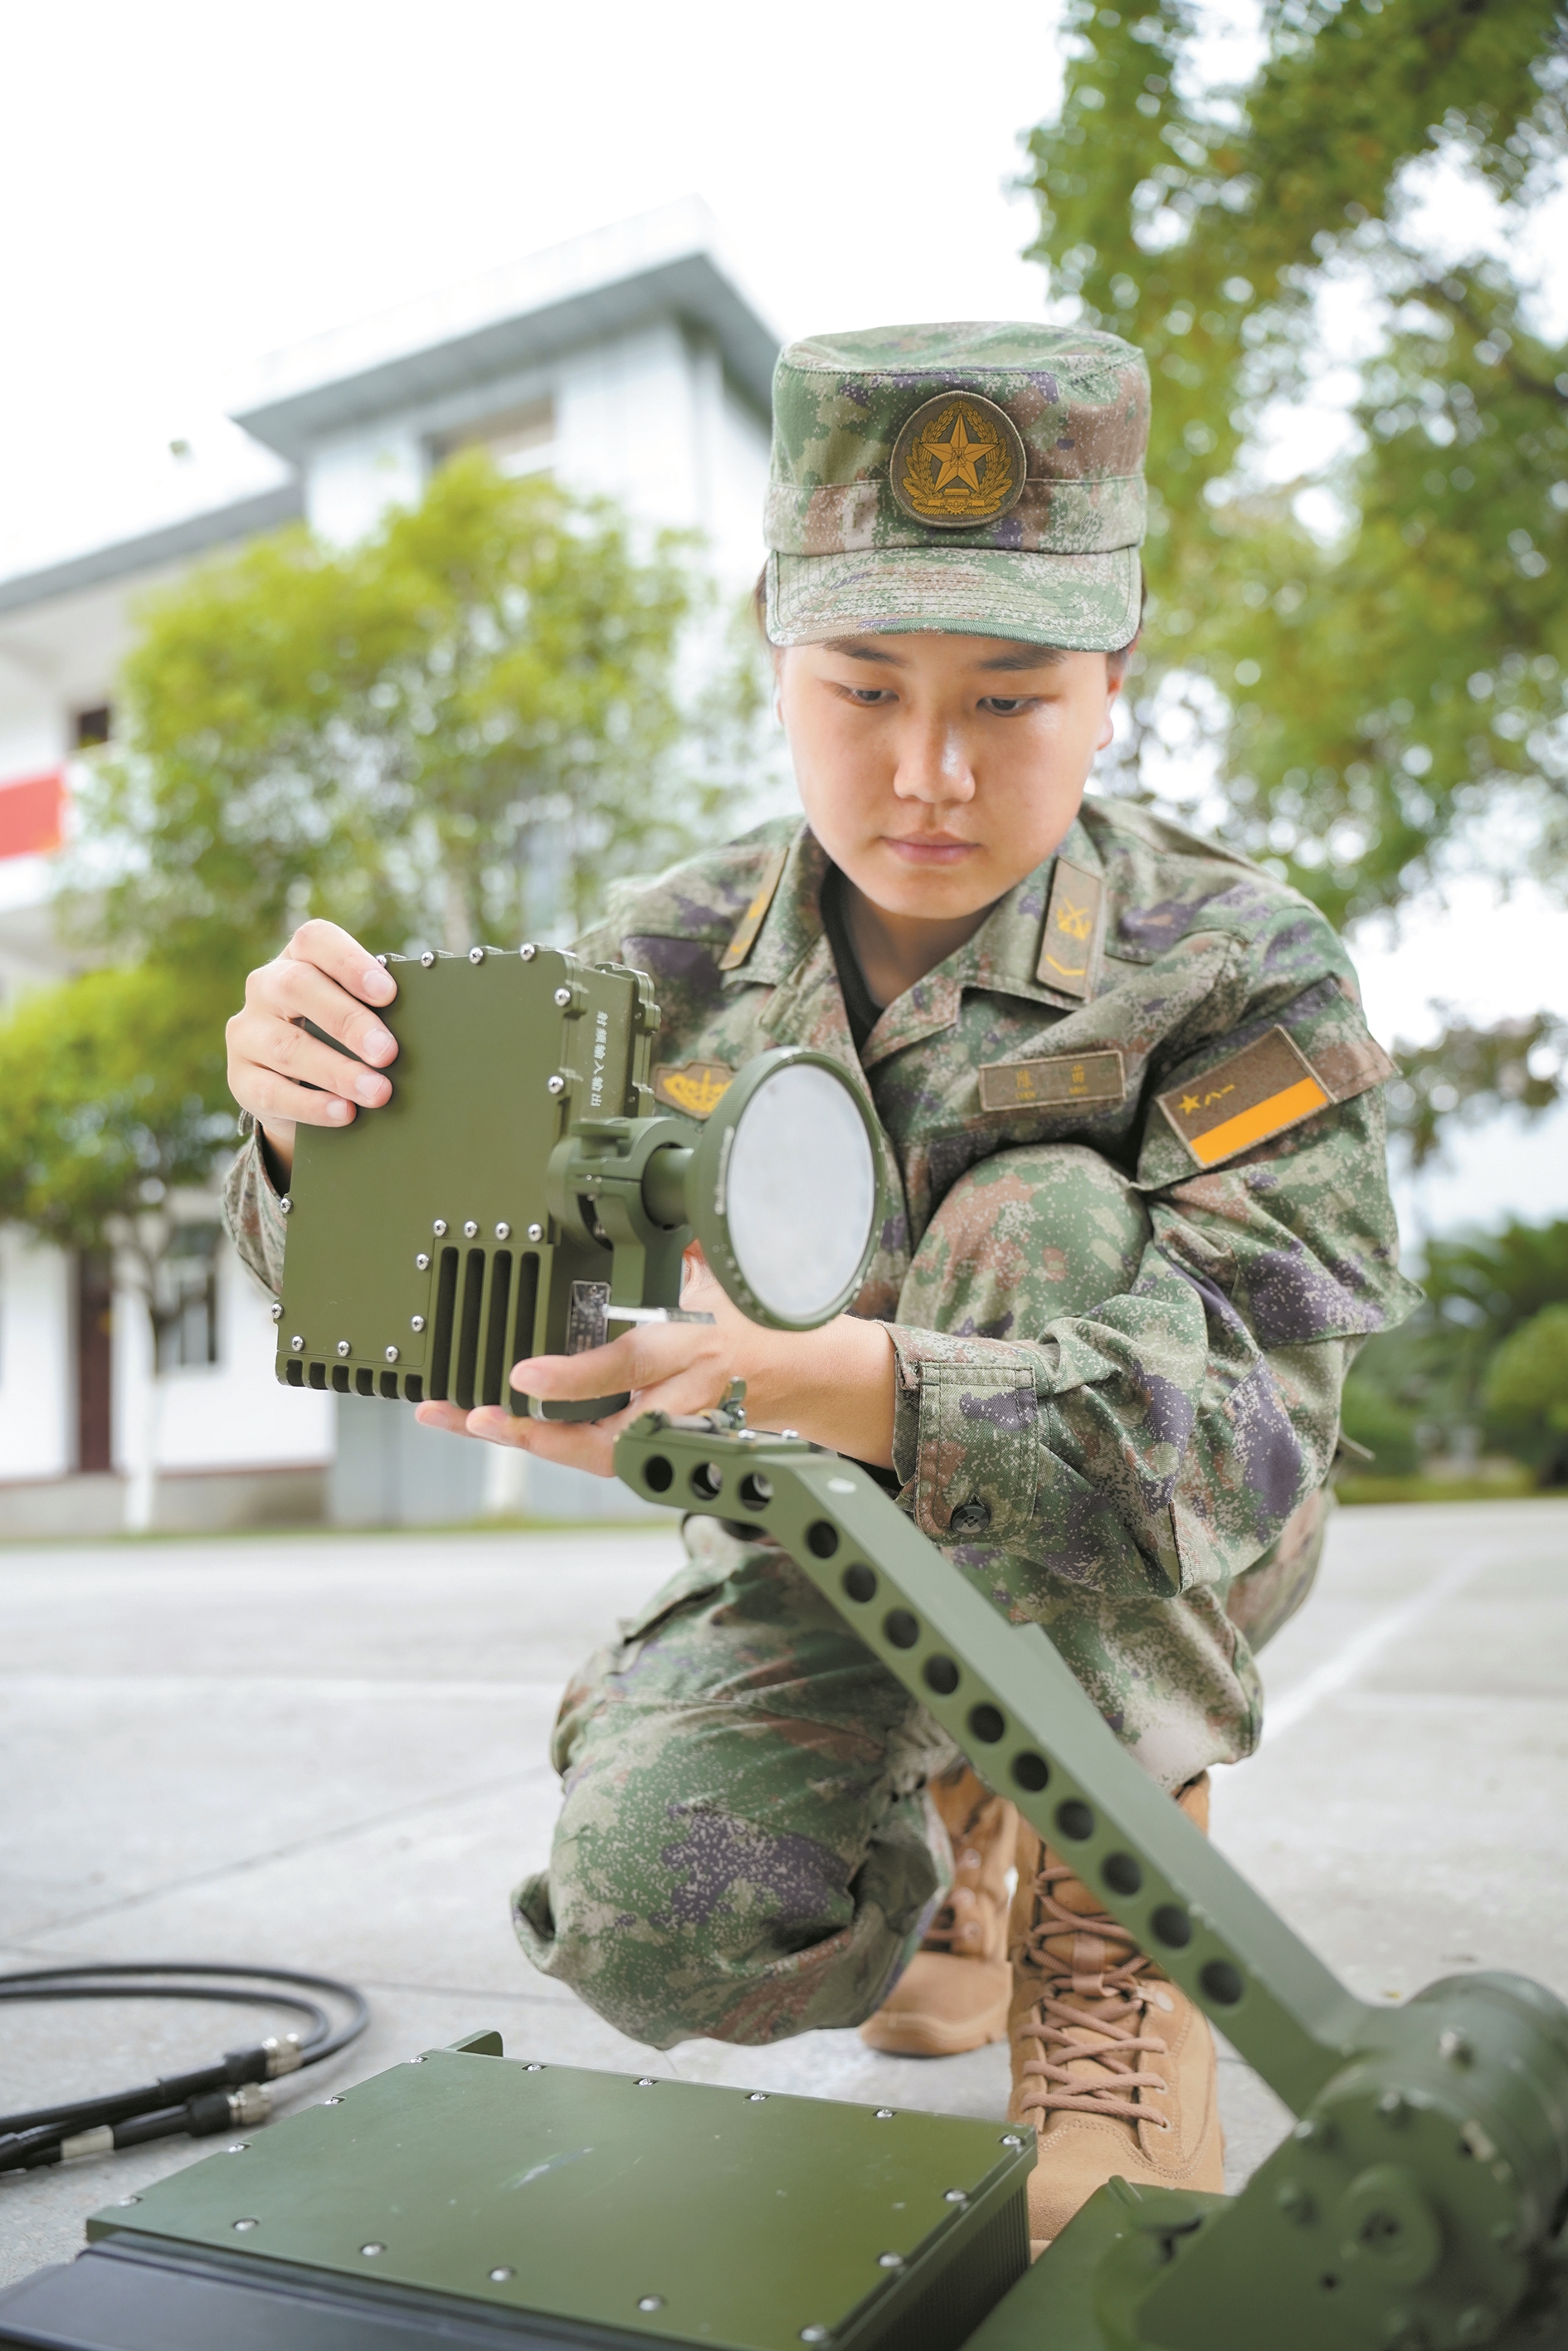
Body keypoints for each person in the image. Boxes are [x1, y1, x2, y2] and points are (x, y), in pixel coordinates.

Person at [222, 322, 1418, 2252]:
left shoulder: (1235, 966)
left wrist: (842, 1375)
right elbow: (427, 1265)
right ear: (775, 643)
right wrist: (305, 1137)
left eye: (1011, 700)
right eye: (863, 686)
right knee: (661, 1912)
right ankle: (961, 1829)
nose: (927, 772)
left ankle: (1115, 1925)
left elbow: (1257, 1426)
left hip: (1170, 1550)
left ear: (1115, 684)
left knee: (1042, 1216)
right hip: (822, 1544)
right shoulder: (665, 955)